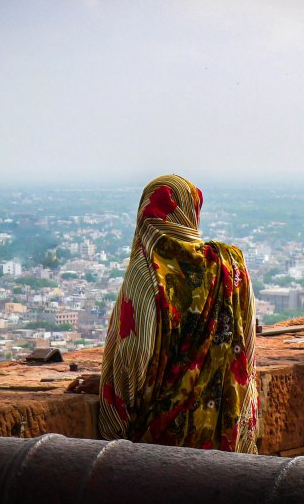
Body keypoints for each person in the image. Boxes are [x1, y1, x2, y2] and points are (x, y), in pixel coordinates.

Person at [92, 174, 258, 453]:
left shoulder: (148, 274)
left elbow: (133, 357)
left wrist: (112, 410)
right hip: (228, 426)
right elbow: (247, 348)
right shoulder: (230, 265)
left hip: (164, 438)